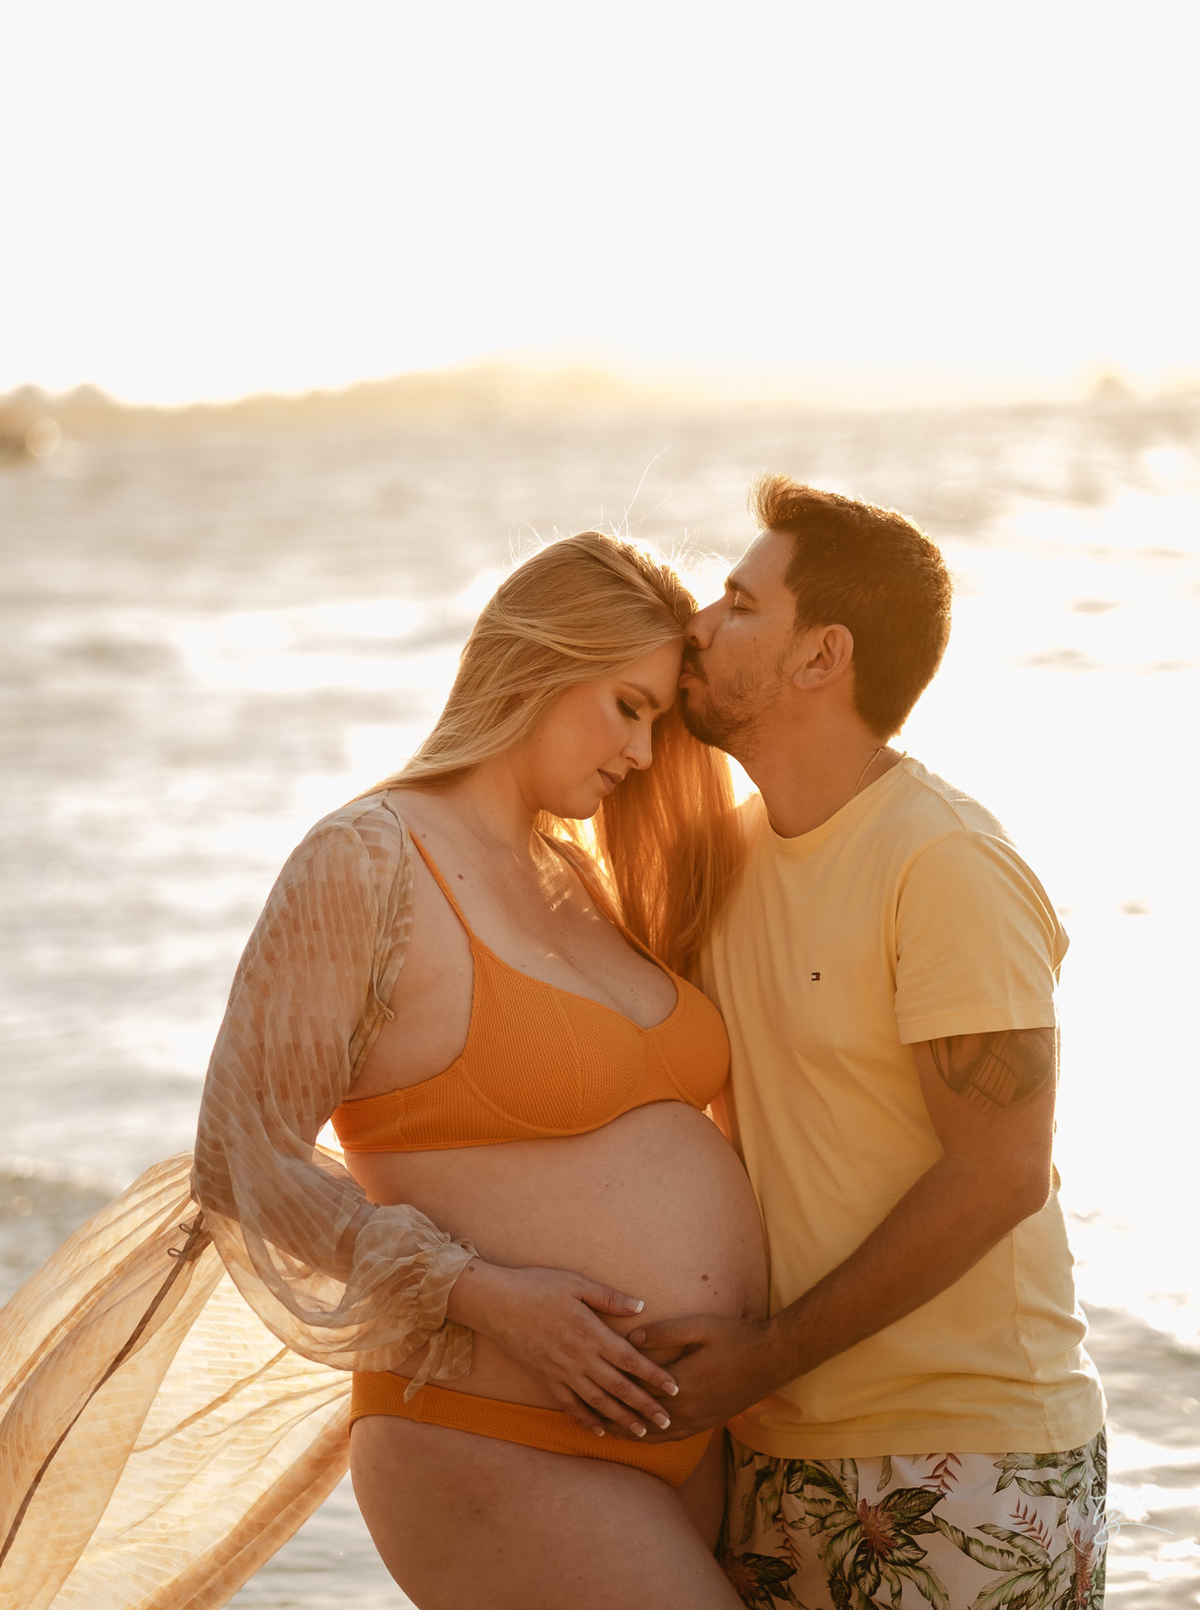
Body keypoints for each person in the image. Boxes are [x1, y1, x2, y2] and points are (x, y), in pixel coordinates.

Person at [0, 531, 766, 1610]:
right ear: (540, 663)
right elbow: (241, 1157)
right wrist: (484, 1295)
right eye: (627, 707)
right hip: (497, 1438)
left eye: (660, 721)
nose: (644, 754)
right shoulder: (366, 859)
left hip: (680, 1430)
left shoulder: (579, 879)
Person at [622, 478, 1108, 1609]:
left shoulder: (942, 864)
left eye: (740, 603)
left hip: (974, 1459)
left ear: (819, 657)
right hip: (774, 1453)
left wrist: (762, 1356)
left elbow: (1000, 1175)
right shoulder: (728, 861)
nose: (697, 623)